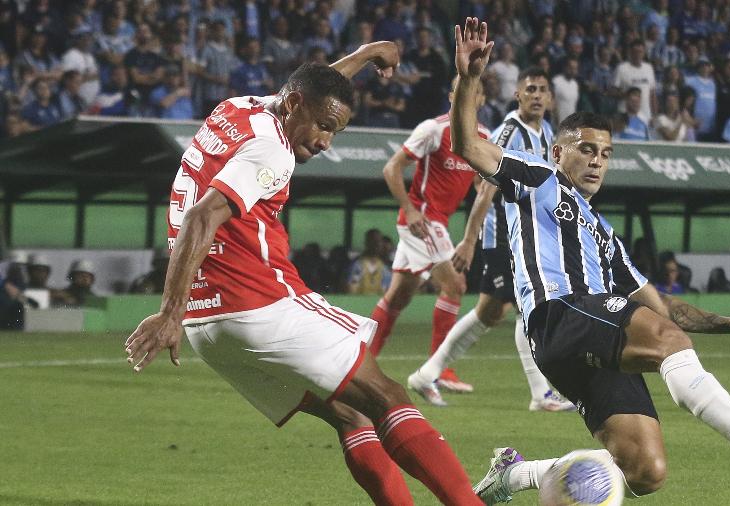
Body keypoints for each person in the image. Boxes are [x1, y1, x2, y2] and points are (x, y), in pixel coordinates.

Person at [449, 18, 730, 504]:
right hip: (559, 313)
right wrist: (467, 80)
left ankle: (516, 474)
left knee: (644, 472)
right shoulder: (538, 177)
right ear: (557, 151)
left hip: (587, 336)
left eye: (606, 154)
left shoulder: (605, 236)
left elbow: (663, 305)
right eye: (586, 150)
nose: (596, 161)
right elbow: (467, 145)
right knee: (663, 337)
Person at [123, 43, 482, 505]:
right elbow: (200, 218)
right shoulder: (273, 152)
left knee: (351, 417)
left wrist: (367, 53)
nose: (327, 141)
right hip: (258, 305)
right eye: (326, 127)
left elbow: (313, 85)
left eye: (336, 131)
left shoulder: (238, 109)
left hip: (206, 326)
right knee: (388, 396)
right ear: (295, 106)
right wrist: (166, 312)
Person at [407, 66, 574, 411]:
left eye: (543, 90)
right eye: (530, 89)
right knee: (524, 307)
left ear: (552, 98)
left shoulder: (545, 134)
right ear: (518, 95)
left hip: (524, 235)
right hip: (501, 234)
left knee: (490, 311)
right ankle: (540, 393)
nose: (537, 95)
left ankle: (428, 373)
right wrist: (468, 240)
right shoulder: (509, 131)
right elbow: (484, 187)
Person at [366, 75, 491, 396]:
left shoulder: (483, 138)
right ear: (452, 96)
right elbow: (392, 168)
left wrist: (478, 220)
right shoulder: (433, 129)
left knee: (398, 297)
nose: (468, 97)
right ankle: (440, 369)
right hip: (422, 220)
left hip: (439, 223)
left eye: (474, 92)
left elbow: (482, 186)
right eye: (462, 90)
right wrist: (409, 208)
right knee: (455, 284)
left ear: (481, 100)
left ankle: (360, 360)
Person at [347, 229, 391, 295]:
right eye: (373, 241)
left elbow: (387, 291)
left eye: (378, 241)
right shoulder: (358, 266)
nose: (376, 244)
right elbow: (351, 290)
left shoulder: (384, 269)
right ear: (366, 243)